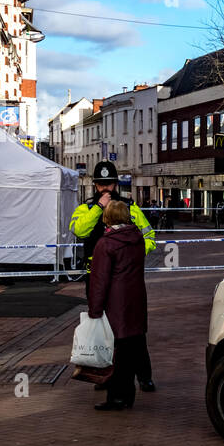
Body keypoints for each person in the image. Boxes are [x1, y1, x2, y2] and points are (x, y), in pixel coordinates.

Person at [70, 161, 156, 392]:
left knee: (134, 330)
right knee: (102, 329)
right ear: (94, 185)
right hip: (96, 277)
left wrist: (131, 255)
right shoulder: (86, 208)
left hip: (124, 278)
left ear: (116, 183)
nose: (105, 188)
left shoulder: (129, 207)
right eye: (101, 184)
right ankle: (105, 374)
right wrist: (99, 207)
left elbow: (149, 237)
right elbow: (79, 231)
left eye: (109, 184)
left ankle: (144, 376)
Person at [86, 200, 148, 411]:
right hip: (135, 300)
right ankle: (128, 394)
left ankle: (116, 398)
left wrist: (95, 309)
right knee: (130, 351)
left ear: (108, 217)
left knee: (114, 355)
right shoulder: (138, 239)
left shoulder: (106, 243)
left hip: (115, 304)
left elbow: (99, 280)